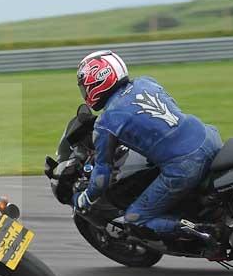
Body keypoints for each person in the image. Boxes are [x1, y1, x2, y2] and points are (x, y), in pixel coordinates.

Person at [72, 50, 222, 238]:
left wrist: (86, 198)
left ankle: (204, 232)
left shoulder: (106, 122)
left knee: (136, 220)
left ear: (97, 83)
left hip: (185, 166)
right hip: (208, 135)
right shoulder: (146, 82)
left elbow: (102, 178)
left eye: (84, 87)